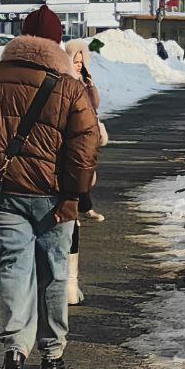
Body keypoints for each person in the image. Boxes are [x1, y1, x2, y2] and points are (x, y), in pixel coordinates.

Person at [0, 4, 100, 369]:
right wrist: (75, 194)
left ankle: (15, 349)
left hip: (5, 192)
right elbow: (85, 142)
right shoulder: (69, 86)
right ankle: (52, 350)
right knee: (54, 269)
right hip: (55, 197)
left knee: (12, 267)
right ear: (56, 41)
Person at [64, 38, 109, 306]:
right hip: (74, 148)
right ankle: (68, 285)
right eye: (75, 61)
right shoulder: (65, 84)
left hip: (79, 147)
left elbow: (95, 104)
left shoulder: (80, 83)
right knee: (68, 219)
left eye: (82, 62)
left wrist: (89, 80)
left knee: (69, 216)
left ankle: (68, 285)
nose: (78, 66)